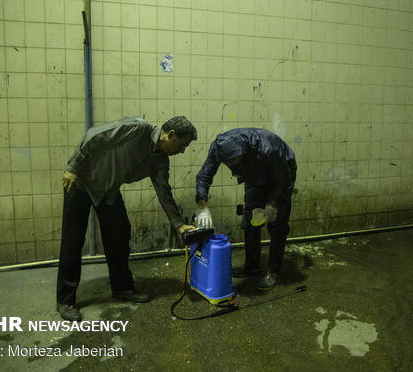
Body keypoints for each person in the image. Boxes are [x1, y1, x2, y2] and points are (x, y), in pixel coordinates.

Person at [56, 116, 197, 321]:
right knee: (73, 241)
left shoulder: (160, 161)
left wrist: (179, 225)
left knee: (119, 237)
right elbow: (93, 135)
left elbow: (164, 193)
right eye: (182, 145)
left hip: (108, 192)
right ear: (171, 135)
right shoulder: (137, 129)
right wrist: (74, 167)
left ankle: (122, 288)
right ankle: (65, 300)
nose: (182, 151)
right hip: (81, 183)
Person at [195, 128, 296, 290]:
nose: (233, 165)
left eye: (237, 160)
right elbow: (204, 175)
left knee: (277, 225)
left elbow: (283, 180)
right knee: (251, 220)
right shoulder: (218, 148)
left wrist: (273, 203)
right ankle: (252, 265)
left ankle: (274, 272)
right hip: (254, 177)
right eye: (230, 162)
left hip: (282, 174)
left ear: (245, 149)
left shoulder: (268, 148)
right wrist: (202, 206)